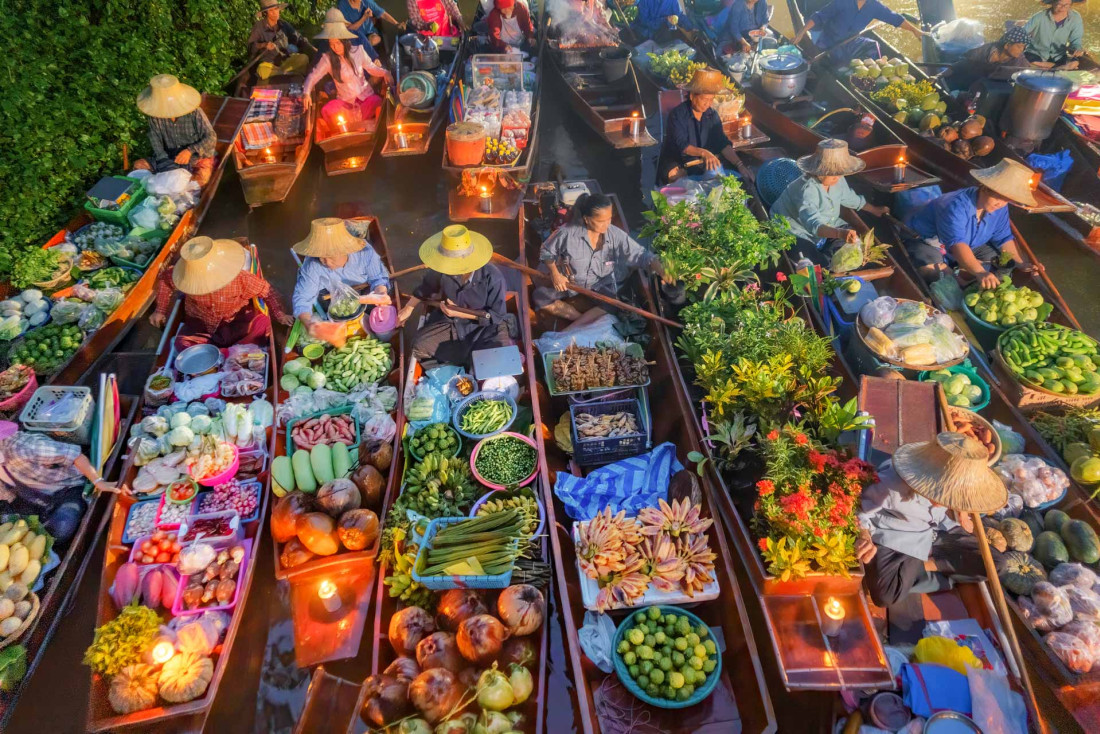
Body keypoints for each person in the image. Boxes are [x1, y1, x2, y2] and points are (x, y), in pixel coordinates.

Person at [856, 433, 1007, 608]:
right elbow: (859, 508)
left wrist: (963, 514)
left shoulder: (957, 487)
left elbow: (963, 498)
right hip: (899, 538)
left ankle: (927, 566)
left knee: (996, 564)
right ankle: (924, 569)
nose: (942, 503)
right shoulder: (891, 486)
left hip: (937, 529)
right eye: (941, 495)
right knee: (886, 595)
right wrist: (864, 536)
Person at [533, 193, 671, 325]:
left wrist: (658, 265)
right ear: (586, 219)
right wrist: (555, 274)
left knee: (614, 304)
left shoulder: (615, 235)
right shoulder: (567, 233)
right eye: (600, 221)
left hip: (598, 284)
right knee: (540, 297)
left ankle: (582, 323)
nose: (606, 225)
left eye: (609, 219)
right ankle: (581, 321)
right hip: (569, 282)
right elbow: (545, 251)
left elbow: (641, 255)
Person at [903, 159, 1040, 289]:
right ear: (985, 188)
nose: (1001, 204)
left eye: (1007, 200)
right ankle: (959, 274)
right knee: (937, 276)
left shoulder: (1000, 207)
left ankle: (963, 270)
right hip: (929, 242)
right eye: (998, 197)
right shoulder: (955, 205)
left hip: (971, 243)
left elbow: (1003, 237)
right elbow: (957, 244)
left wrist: (1021, 263)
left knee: (1002, 263)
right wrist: (980, 272)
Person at [398, 225, 510, 365]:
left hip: (484, 328)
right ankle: (459, 363)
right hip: (453, 324)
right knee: (418, 345)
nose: (449, 269)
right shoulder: (441, 269)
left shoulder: (493, 277)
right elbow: (425, 288)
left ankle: (467, 362)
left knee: (497, 360)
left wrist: (461, 313)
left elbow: (497, 316)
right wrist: (409, 308)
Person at [152, 236, 291, 349]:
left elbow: (267, 291)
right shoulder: (182, 275)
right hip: (201, 327)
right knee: (181, 344)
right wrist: (160, 310)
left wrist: (280, 314)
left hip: (234, 323)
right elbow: (165, 280)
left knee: (262, 323)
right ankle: (227, 352)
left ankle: (233, 351)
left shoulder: (240, 279)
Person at [770, 139, 889, 262]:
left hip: (829, 223)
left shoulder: (837, 178)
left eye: (840, 173)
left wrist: (874, 210)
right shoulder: (806, 190)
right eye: (833, 174)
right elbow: (814, 224)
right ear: (819, 172)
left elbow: (849, 197)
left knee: (854, 250)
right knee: (811, 263)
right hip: (796, 230)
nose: (838, 177)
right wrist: (840, 233)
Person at [292, 218, 393, 338]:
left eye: (331, 257)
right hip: (329, 295)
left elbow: (378, 279)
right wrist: (309, 325)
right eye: (321, 257)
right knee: (326, 310)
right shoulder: (312, 264)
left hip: (363, 291)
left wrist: (380, 294)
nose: (326, 262)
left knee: (381, 302)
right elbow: (303, 298)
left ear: (346, 250)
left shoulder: (365, 252)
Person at [303, 9, 393, 131]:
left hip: (365, 98)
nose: (335, 47)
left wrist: (385, 72)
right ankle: (353, 126)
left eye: (338, 43)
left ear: (345, 41)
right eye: (332, 44)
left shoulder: (358, 50)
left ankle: (359, 126)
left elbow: (372, 68)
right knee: (328, 110)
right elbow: (313, 76)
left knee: (376, 101)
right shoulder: (327, 59)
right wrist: (306, 93)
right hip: (345, 103)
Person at [0, 430, 126, 517]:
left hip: (69, 486)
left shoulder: (27, 449)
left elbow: (75, 456)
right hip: (41, 492)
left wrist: (98, 481)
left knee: (60, 530)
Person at [657, 68, 740, 184]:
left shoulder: (712, 115)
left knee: (731, 175)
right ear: (692, 96)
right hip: (679, 160)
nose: (708, 103)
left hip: (703, 161)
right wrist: (704, 153)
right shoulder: (677, 115)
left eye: (711, 99)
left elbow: (722, 143)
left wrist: (740, 165)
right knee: (674, 175)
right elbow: (682, 145)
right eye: (705, 99)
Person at [133, 75, 217, 187]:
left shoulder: (194, 113)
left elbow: (211, 137)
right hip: (169, 157)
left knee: (200, 181)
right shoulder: (155, 116)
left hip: (196, 158)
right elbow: (155, 140)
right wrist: (165, 162)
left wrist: (190, 150)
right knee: (138, 165)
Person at [791, 0, 926, 64]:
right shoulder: (842, 2)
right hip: (830, 42)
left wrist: (915, 30)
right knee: (840, 62)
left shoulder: (874, 6)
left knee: (873, 45)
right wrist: (801, 33)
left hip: (852, 41)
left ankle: (871, 72)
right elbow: (818, 16)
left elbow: (895, 18)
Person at [945, 26, 1031, 91]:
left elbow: (1028, 73)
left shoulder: (1019, 61)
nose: (1022, 50)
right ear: (1007, 45)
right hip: (971, 80)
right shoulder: (987, 49)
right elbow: (965, 61)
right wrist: (941, 75)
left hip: (990, 90)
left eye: (1023, 47)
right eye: (1019, 46)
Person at [247, 0, 315, 80]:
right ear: (265, 13)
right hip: (270, 65)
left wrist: (314, 50)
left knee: (304, 58)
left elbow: (299, 38)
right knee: (261, 70)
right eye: (271, 10)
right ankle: (288, 74)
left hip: (285, 62)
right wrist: (263, 45)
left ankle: (284, 73)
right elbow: (250, 47)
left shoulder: (284, 24)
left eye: (276, 9)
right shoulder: (259, 27)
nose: (275, 12)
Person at [1024, 0, 1085, 69]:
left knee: (1075, 62)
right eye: (1059, 4)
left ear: (1071, 4)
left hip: (1058, 56)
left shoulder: (1076, 18)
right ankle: (1059, 67)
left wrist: (1077, 49)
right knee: (1029, 59)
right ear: (1052, 3)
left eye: (1067, 4)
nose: (1063, 8)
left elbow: (1076, 41)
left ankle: (1055, 66)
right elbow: (1023, 33)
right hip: (1036, 54)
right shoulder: (1039, 16)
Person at [338, 0, 405, 60]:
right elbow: (349, 29)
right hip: (354, 37)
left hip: (369, 34)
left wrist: (396, 23)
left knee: (375, 39)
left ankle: (373, 61)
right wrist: (364, 18)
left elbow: (382, 14)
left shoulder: (367, 1)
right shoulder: (343, 4)